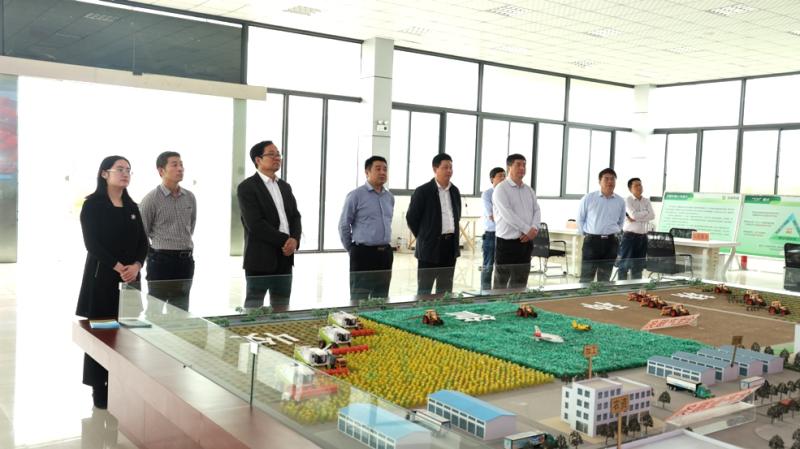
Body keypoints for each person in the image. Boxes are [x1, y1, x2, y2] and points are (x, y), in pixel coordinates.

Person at [76, 156, 148, 409]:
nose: (125, 173)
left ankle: (121, 383)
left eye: (128, 170)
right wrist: (118, 267)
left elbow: (143, 243)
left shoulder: (132, 206)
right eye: (120, 169)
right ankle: (99, 388)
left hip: (130, 280)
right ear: (104, 173)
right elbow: (92, 244)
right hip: (102, 279)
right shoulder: (93, 205)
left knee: (125, 334)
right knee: (102, 333)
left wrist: (136, 266)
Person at [237, 141, 302, 310]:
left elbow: (295, 216)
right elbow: (255, 224)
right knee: (253, 308)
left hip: (285, 257)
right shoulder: (247, 187)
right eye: (271, 154)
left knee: (282, 307)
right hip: (260, 257)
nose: (277, 158)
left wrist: (295, 240)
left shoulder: (285, 186)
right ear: (258, 160)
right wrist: (286, 240)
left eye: (278, 154)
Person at [139, 151, 196, 312]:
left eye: (181, 164)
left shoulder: (190, 197)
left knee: (180, 310)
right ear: (161, 171)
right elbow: (142, 233)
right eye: (174, 165)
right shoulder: (151, 199)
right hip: (161, 261)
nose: (180, 168)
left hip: (185, 261)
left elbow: (191, 226)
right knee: (155, 309)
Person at [339, 156, 394, 300]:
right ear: (367, 172)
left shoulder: (389, 197)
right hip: (363, 254)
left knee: (381, 298)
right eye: (378, 169)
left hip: (385, 255)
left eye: (385, 169)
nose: (382, 172)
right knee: (359, 298)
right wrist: (352, 249)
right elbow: (344, 224)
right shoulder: (356, 195)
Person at [406, 153, 461, 295]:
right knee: (425, 288)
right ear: (435, 169)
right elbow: (411, 218)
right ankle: (424, 309)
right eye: (445, 167)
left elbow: (457, 216)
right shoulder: (423, 191)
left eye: (451, 167)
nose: (449, 171)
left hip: (450, 247)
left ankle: (443, 309)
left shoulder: (454, 191)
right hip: (429, 248)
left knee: (445, 288)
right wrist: (424, 237)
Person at [492, 154, 541, 289]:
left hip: (526, 243)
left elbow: (536, 210)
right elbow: (508, 214)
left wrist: (534, 228)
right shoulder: (501, 189)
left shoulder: (529, 190)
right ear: (509, 167)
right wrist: (527, 230)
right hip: (507, 244)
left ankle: (518, 302)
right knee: (501, 284)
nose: (522, 168)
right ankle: (498, 303)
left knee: (520, 282)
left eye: (524, 165)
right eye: (518, 165)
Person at [577, 168, 626, 283]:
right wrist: (587, 234)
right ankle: (583, 295)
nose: (610, 181)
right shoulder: (589, 198)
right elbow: (580, 219)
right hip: (592, 241)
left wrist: (614, 232)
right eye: (606, 179)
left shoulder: (620, 201)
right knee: (586, 277)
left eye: (612, 179)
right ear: (600, 181)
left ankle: (601, 294)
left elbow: (621, 221)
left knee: (605, 277)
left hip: (611, 242)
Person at [618, 177, 655, 280]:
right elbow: (633, 215)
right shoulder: (627, 200)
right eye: (636, 185)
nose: (639, 187)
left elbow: (652, 216)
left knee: (638, 266)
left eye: (640, 185)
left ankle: (636, 287)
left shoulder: (646, 201)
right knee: (624, 265)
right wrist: (645, 213)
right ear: (630, 189)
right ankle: (621, 287)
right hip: (629, 237)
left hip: (643, 237)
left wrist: (637, 217)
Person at [480, 167, 506, 291]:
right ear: (492, 179)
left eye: (504, 176)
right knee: (488, 265)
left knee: (502, 266)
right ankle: (485, 292)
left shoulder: (507, 194)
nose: (503, 178)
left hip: (504, 234)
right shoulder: (487, 194)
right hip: (491, 234)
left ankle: (499, 293)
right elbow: (492, 216)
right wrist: (508, 220)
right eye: (500, 176)